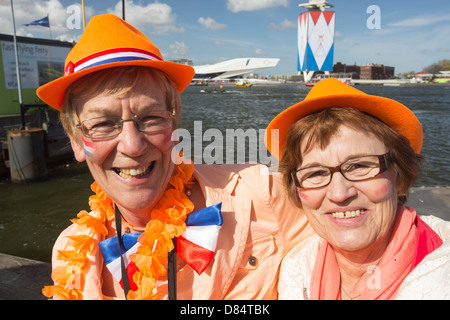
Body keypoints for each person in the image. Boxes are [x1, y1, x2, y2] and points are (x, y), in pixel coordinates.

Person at [36, 14, 312, 300]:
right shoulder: (70, 253)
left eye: (152, 118)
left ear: (175, 126)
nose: (132, 145)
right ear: (76, 143)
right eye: (103, 124)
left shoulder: (264, 197)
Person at [264, 78, 450, 300]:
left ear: (399, 178)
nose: (340, 194)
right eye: (316, 173)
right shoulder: (298, 267)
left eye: (360, 166)